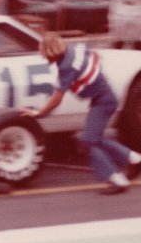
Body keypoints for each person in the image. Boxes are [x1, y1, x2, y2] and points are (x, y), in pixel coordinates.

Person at [20, 33, 141, 195]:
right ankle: (133, 158)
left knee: (87, 142)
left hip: (102, 101)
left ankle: (116, 179)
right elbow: (96, 56)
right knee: (94, 138)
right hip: (105, 97)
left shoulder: (65, 67)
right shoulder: (76, 49)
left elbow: (56, 99)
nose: (44, 58)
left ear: (51, 52)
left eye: (44, 54)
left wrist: (38, 113)